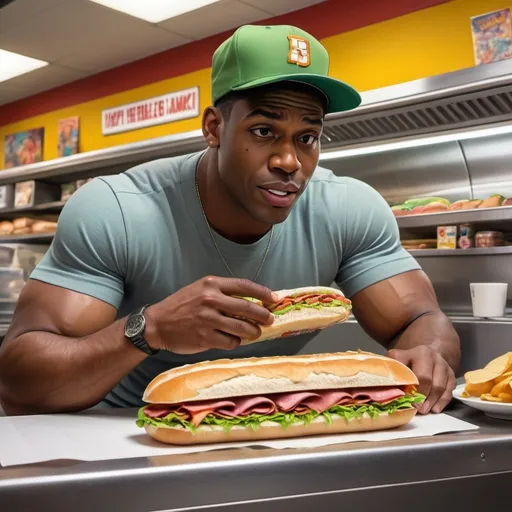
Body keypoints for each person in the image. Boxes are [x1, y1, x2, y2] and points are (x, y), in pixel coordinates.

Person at [0, 25, 460, 416]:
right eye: (264, 131)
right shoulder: (116, 208)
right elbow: (20, 383)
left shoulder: (349, 208)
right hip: (126, 425)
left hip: (269, 421)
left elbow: (421, 318)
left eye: (307, 137)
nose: (288, 160)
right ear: (214, 128)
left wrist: (429, 355)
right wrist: (150, 329)